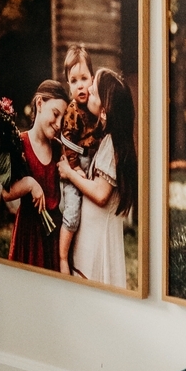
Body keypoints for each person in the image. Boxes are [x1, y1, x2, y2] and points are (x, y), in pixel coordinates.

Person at [60, 68, 137, 290]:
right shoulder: (108, 141)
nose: (87, 92)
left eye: (93, 93)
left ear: (103, 112)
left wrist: (70, 173)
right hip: (93, 238)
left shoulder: (112, 144)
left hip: (96, 244)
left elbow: (101, 194)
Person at [3, 80, 68, 270]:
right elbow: (5, 192)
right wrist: (30, 183)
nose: (58, 124)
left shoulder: (58, 148)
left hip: (53, 236)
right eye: (55, 114)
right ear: (39, 104)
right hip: (28, 235)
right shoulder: (19, 143)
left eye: (62, 119)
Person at [57, 45, 99, 276]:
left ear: (92, 78)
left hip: (92, 162)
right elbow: (67, 142)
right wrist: (74, 168)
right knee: (73, 212)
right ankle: (63, 258)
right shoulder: (72, 111)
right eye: (74, 81)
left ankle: (80, 256)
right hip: (76, 165)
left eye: (84, 78)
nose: (80, 85)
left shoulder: (94, 106)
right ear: (68, 84)